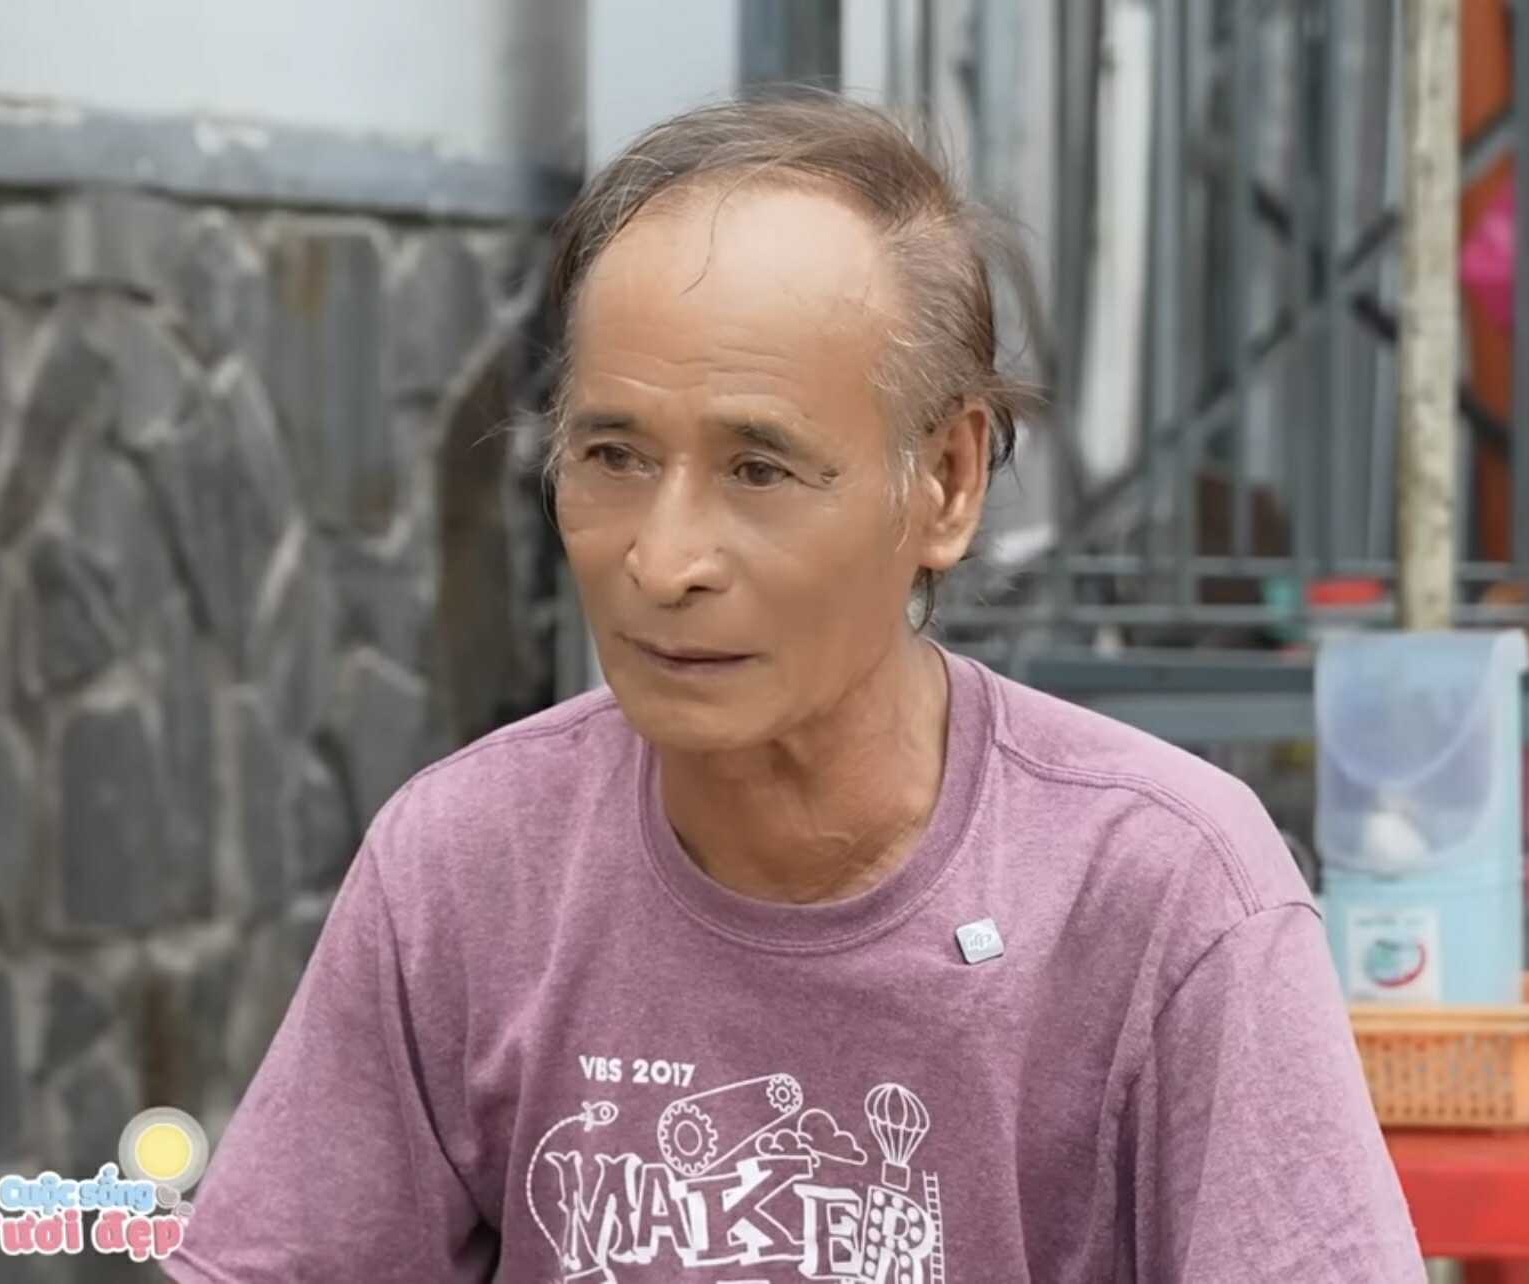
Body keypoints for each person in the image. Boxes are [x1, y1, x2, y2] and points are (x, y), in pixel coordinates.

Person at [164, 93, 1423, 1283]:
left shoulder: (1164, 895)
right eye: (613, 455)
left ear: (947, 482)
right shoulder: (465, 867)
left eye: (760, 470)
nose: (663, 561)